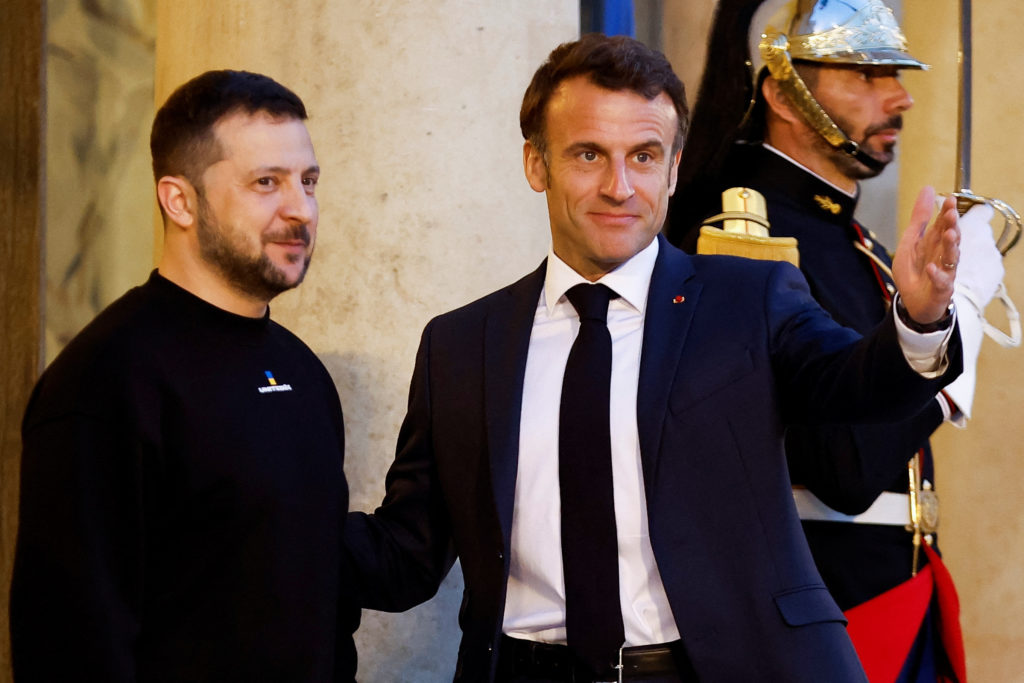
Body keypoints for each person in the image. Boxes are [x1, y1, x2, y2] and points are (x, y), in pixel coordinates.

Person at [344, 33, 963, 682]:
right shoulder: (462, 345)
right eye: (588, 155)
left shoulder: (748, 300)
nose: (619, 186)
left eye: (643, 156)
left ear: (671, 169)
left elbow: (852, 385)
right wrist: (270, 522)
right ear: (536, 164)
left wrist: (917, 321)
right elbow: (405, 554)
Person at [664, 1, 1004, 680]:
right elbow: (844, 468)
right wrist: (953, 331)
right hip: (827, 614)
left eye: (895, 73)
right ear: (782, 92)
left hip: (897, 599)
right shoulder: (746, 232)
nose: (901, 96)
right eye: (867, 74)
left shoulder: (849, 238)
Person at [10, 70, 358, 682]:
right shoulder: (103, 382)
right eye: (265, 183)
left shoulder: (302, 372)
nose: (300, 210)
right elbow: (70, 644)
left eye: (308, 181)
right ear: (180, 200)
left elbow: (318, 604)